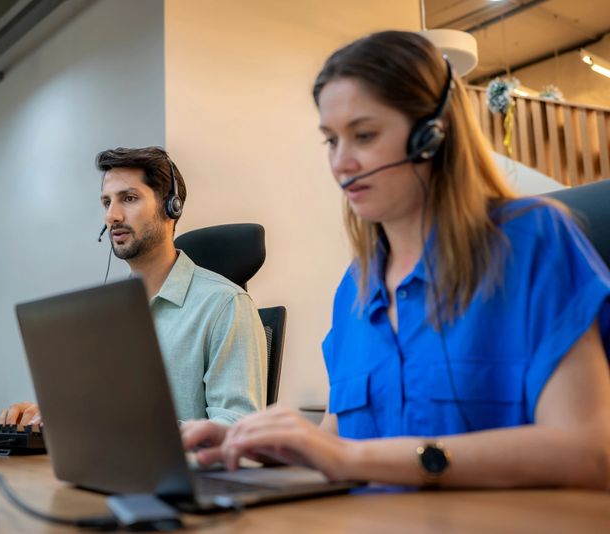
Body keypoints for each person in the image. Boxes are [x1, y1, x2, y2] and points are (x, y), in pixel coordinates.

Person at [182, 31, 610, 489]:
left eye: (363, 135)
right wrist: (267, 448)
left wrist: (354, 457)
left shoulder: (532, 241)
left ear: (432, 134)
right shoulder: (356, 287)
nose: (341, 163)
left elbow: (588, 451)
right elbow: (339, 444)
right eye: (331, 140)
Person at [0, 147, 267, 426]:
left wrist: (134, 431)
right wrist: (51, 419)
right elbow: (97, 415)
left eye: (128, 198)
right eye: (107, 202)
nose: (112, 216)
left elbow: (238, 427)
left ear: (171, 206)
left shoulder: (225, 306)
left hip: (178, 458)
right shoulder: (105, 315)